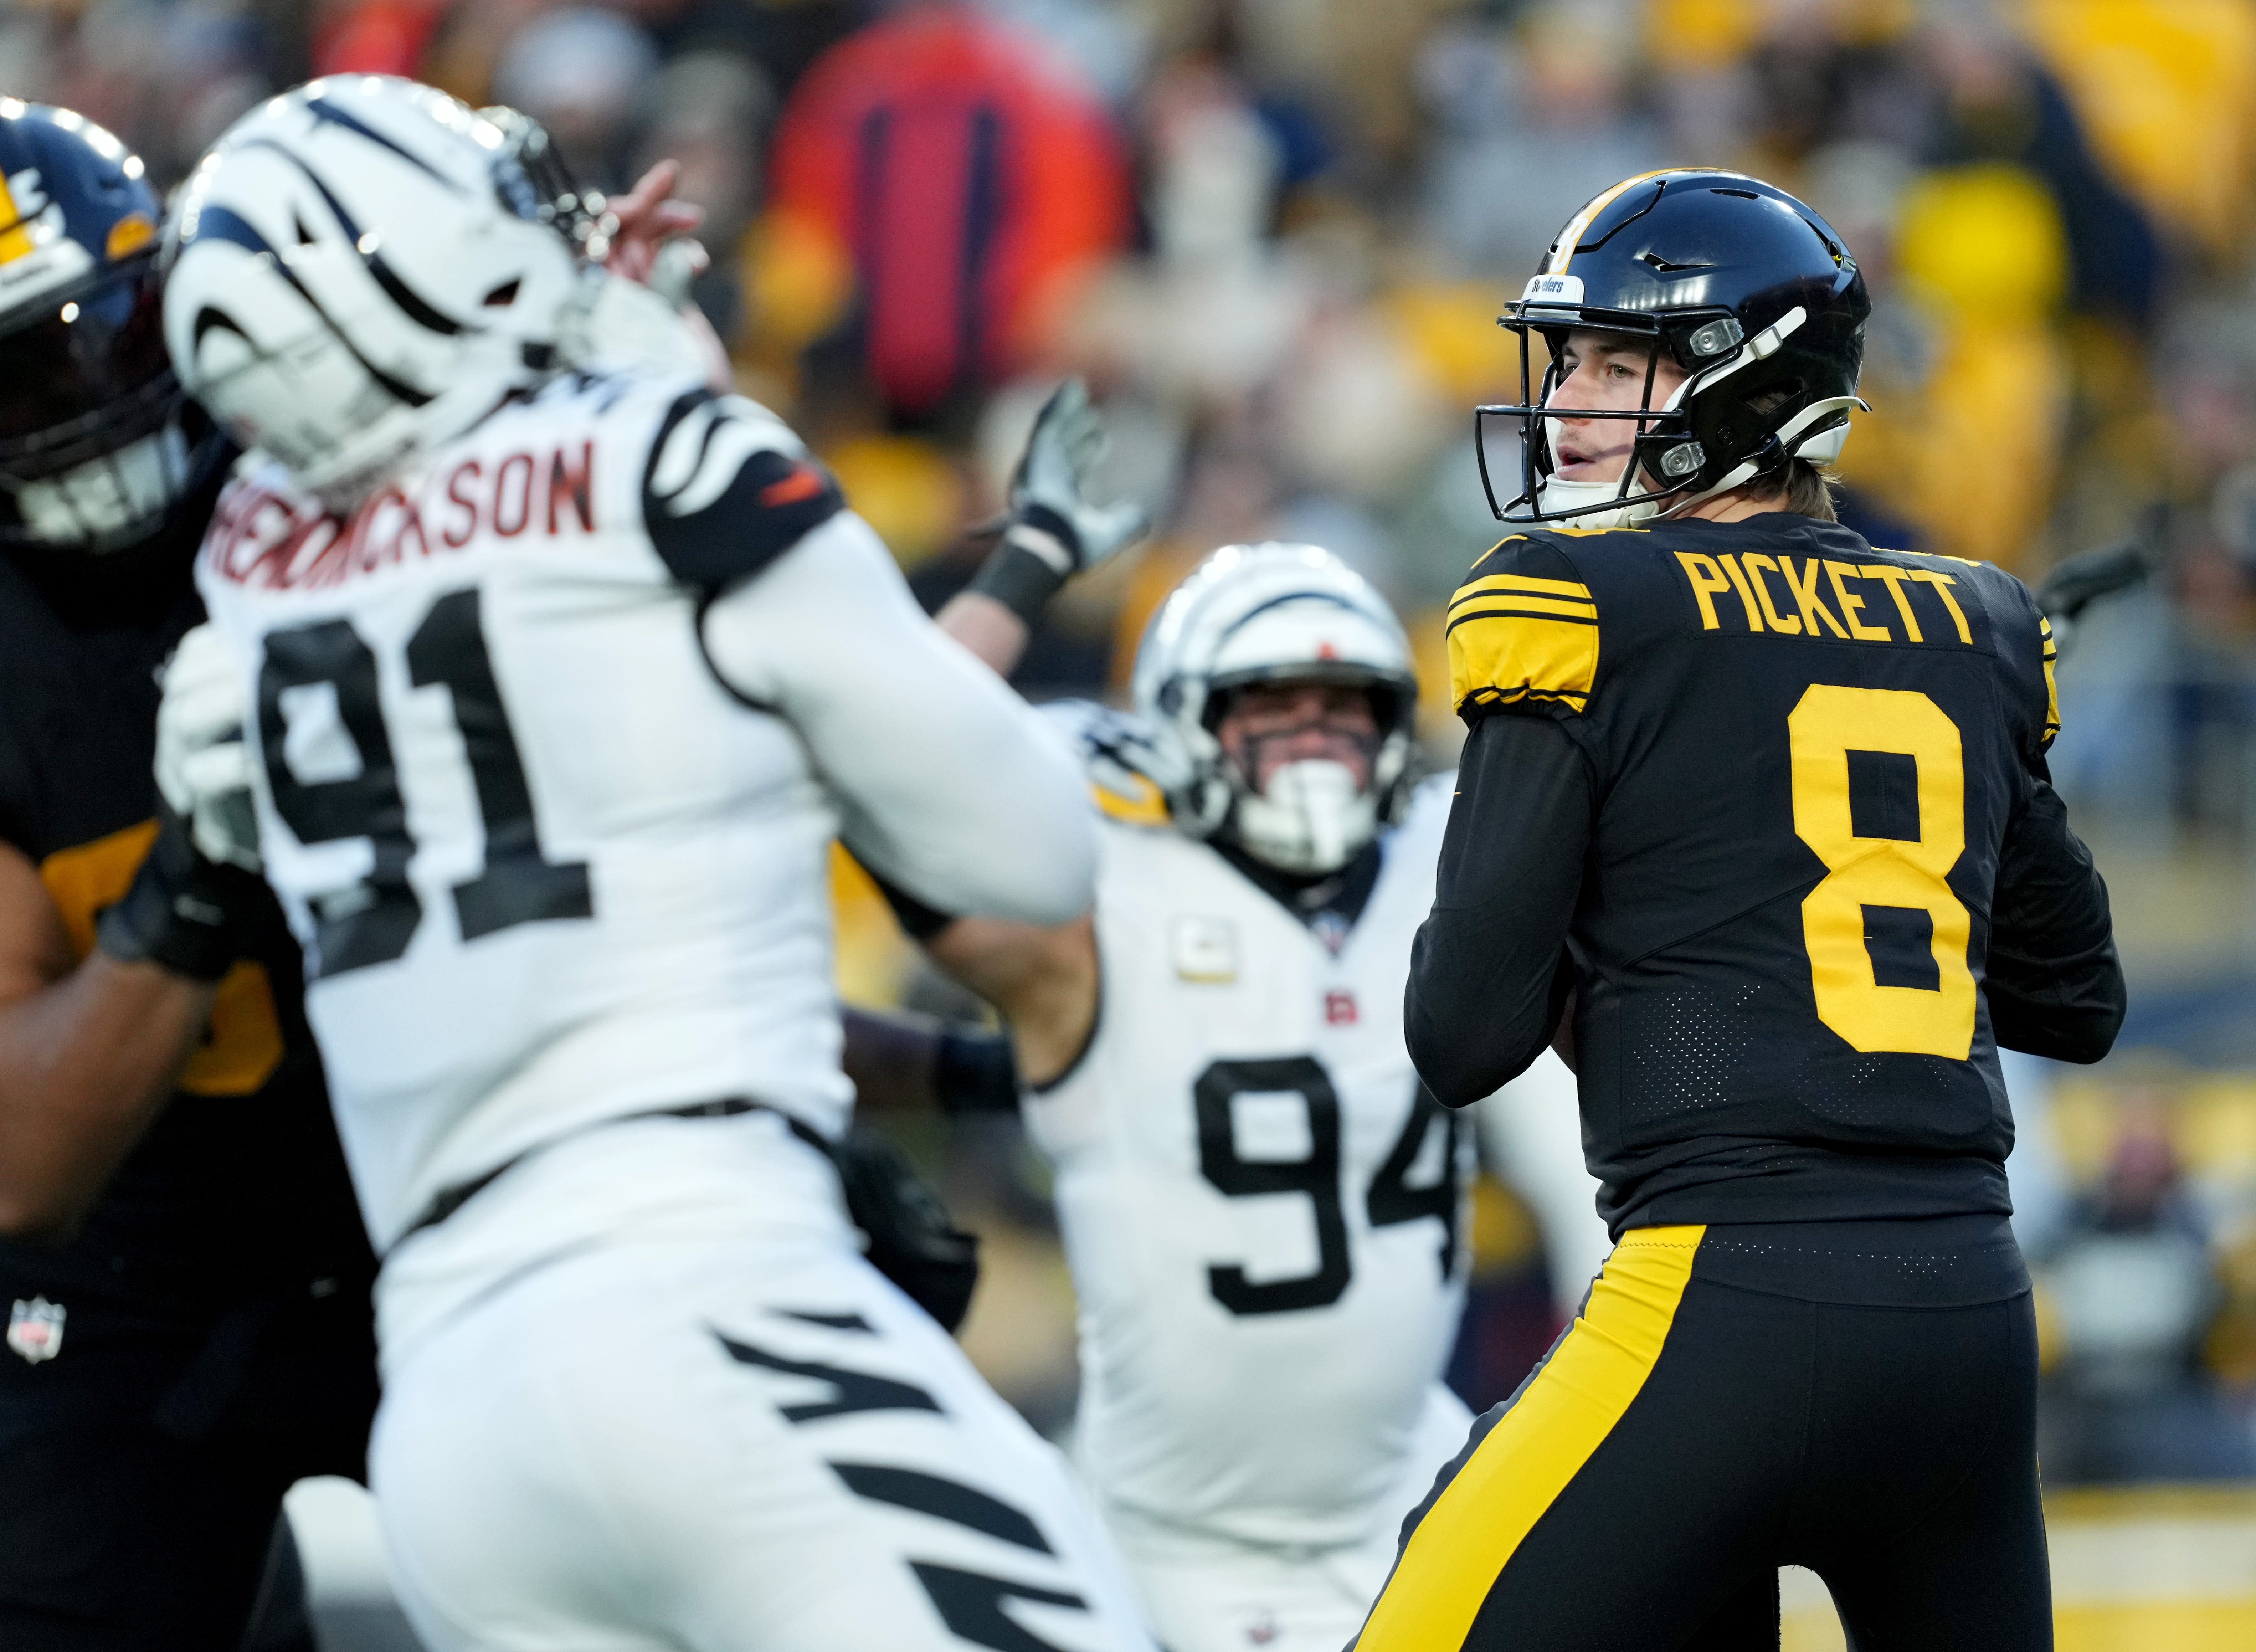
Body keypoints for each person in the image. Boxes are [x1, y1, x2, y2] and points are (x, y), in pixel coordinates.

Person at [155, 74, 1155, 1652]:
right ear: (441, 263)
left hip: (451, 1420)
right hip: (697, 1288)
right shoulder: (670, 467)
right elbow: (1021, 852)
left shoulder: (242, 586)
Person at [0, 92, 697, 1652]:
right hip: (129, 1265)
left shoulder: (356, 438)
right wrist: (200, 870)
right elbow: (16, 1160)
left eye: (108, 332)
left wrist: (587, 382)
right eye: (9, 376)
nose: (78, 398)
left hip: (455, 1186)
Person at [1353, 169, 2123, 1651]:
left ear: (1748, 384)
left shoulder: (1572, 602)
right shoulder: (1971, 617)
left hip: (1720, 1300)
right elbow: (2073, 1002)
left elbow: (1459, 1034)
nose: (1567, 398)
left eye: (1619, 361)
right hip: (1967, 1316)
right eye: (1566, 355)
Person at [857, 426, 1482, 1648]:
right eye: (1273, 705)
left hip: (1423, 1486)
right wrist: (1026, 565)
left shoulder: (1448, 862)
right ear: (1187, 723)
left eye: (1344, 705)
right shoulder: (1107, 906)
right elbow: (891, 757)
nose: (1315, 737)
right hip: (1164, 1544)